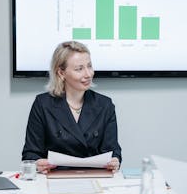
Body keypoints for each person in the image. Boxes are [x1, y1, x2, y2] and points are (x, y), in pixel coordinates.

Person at [22, 41, 122, 173]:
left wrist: (115, 160)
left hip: (96, 177)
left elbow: (113, 150)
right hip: (54, 178)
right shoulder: (42, 104)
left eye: (89, 66)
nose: (88, 74)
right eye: (79, 69)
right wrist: (37, 164)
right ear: (61, 73)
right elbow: (30, 154)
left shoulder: (105, 105)